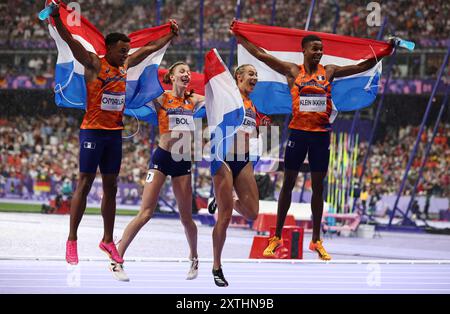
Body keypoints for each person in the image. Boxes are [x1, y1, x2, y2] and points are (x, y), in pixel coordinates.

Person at [232, 22, 392, 260]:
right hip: (298, 133)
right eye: (315, 49)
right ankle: (275, 237)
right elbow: (260, 55)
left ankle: (316, 240)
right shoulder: (293, 71)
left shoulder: (329, 71)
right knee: (287, 185)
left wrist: (384, 51)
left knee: (318, 188)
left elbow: (362, 66)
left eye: (321, 49)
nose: (319, 52)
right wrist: (239, 35)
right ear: (304, 50)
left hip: (320, 135)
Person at [50, 5, 179, 280]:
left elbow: (147, 50)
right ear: (108, 49)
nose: (126, 55)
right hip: (92, 132)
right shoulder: (95, 64)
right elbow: (71, 42)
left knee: (112, 187)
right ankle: (71, 239)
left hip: (114, 133)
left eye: (126, 51)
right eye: (121, 50)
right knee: (84, 183)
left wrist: (169, 35)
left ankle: (108, 240)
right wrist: (55, 18)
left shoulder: (125, 65)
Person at [117, 61, 204, 281]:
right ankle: (116, 257)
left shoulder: (194, 100)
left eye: (188, 71)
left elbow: (220, 99)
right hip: (162, 158)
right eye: (181, 71)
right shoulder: (161, 98)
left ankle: (194, 258)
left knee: (186, 218)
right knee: (145, 213)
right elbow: (136, 92)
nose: (187, 74)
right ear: (172, 77)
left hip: (182, 161)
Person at [208, 64, 265, 287]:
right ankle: (216, 266)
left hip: (244, 160)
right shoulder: (228, 96)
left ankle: (228, 199)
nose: (255, 78)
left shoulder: (253, 106)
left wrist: (256, 156)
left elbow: (255, 134)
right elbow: (210, 96)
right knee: (225, 217)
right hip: (223, 158)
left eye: (256, 75)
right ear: (238, 77)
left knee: (252, 213)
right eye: (251, 74)